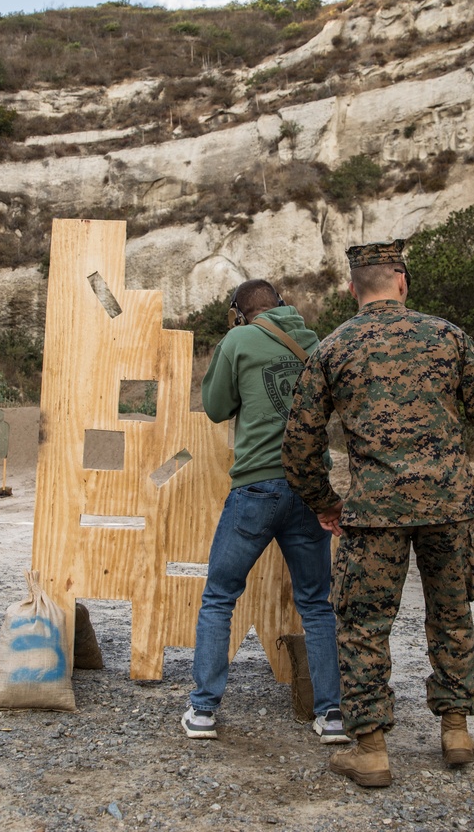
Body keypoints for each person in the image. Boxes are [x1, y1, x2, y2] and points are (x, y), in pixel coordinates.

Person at [281, 240, 474, 788]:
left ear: (352, 289)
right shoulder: (447, 337)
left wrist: (325, 502)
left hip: (373, 515)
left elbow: (298, 441)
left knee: (364, 624)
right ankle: (456, 729)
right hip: (449, 508)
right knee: (452, 613)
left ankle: (370, 750)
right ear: (403, 282)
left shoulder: (333, 347)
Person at [182, 279, 348, 744]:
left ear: (240, 313)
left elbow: (216, 408)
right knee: (316, 604)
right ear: (282, 306)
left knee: (219, 597)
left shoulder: (237, 340)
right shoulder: (314, 341)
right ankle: (331, 715)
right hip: (309, 488)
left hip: (257, 486)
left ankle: (204, 712)